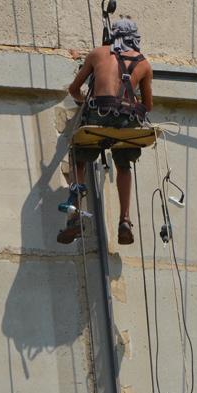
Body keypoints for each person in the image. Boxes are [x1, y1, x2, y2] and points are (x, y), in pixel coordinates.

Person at [58, 18, 153, 246]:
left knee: (78, 158)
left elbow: (74, 89)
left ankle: (75, 216)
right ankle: (125, 220)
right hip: (127, 121)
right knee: (123, 165)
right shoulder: (144, 64)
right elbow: (147, 106)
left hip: (97, 116)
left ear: (112, 35)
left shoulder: (97, 53)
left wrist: (84, 102)